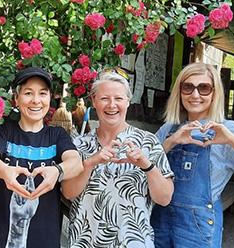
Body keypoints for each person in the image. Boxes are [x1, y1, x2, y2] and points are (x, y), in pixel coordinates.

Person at [150, 62, 234, 248]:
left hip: (197, 230)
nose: (195, 95)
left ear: (214, 94)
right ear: (179, 92)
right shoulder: (168, 129)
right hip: (159, 223)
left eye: (204, 88)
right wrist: (171, 141)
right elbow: (144, 170)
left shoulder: (229, 130)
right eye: (188, 87)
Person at [63, 70, 174, 248]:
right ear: (94, 101)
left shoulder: (148, 142)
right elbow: (68, 192)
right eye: (105, 98)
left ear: (128, 102)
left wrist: (146, 165)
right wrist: (91, 162)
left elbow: (164, 198)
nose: (112, 105)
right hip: (85, 242)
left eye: (119, 99)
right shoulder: (78, 145)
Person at [0, 67, 83, 248]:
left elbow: (76, 163)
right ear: (17, 100)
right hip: (0, 237)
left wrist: (57, 171)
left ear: (50, 99)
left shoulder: (57, 135)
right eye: (28, 93)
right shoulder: (6, 130)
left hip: (44, 238)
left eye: (42, 93)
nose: (36, 100)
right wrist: (4, 171)